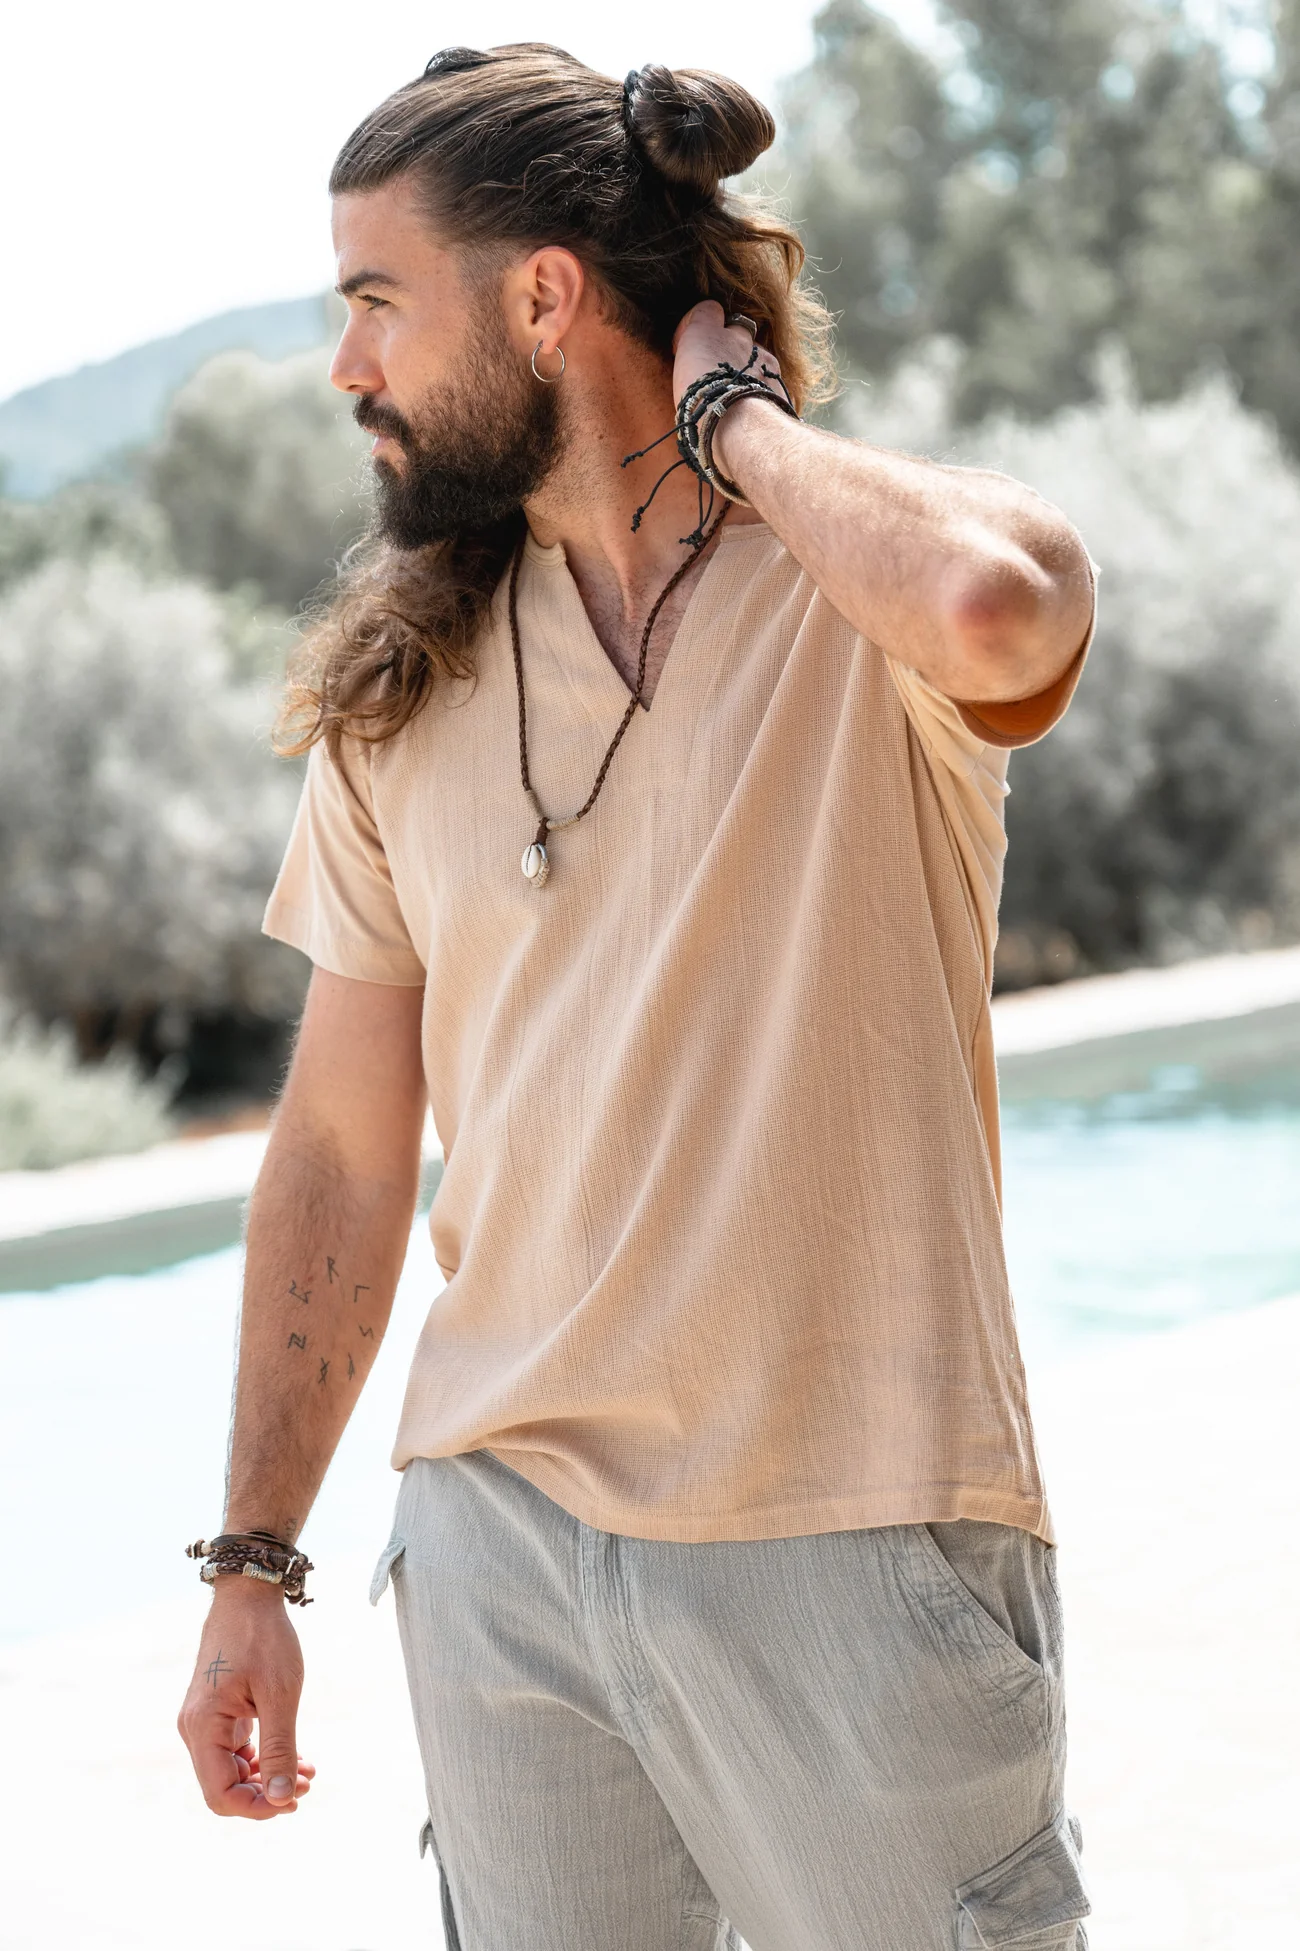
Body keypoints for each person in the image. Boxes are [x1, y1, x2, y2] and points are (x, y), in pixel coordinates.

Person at [178, 44, 1096, 1951]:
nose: (346, 365)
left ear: (542, 298)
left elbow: (1003, 613)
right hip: (502, 1555)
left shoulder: (853, 595)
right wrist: (254, 1556)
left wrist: (734, 426)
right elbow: (342, 1146)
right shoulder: (397, 695)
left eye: (376, 301)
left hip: (847, 1526)